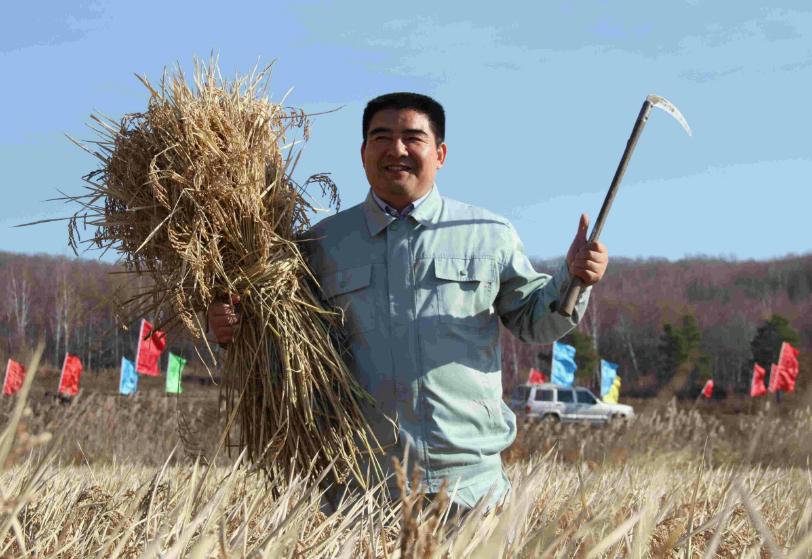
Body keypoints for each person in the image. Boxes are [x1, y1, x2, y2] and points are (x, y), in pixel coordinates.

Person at [208, 92, 608, 511]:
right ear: (363, 153)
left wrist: (575, 279)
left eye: (412, 137)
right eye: (381, 137)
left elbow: (534, 321)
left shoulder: (489, 233)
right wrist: (235, 329)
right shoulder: (317, 246)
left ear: (440, 153)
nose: (396, 149)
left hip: (469, 490)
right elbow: (283, 353)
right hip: (358, 489)